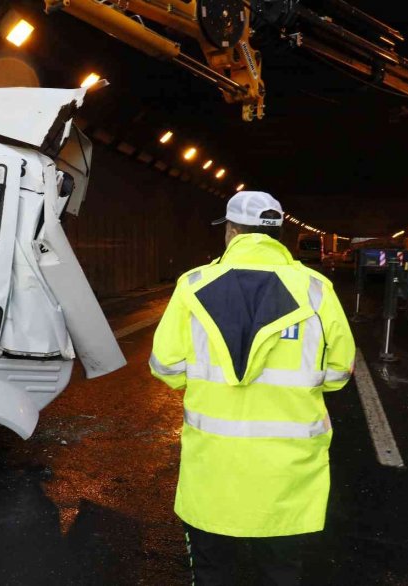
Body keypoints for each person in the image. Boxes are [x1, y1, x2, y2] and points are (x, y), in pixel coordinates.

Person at [149, 191, 356, 585]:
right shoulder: (315, 290)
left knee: (213, 573)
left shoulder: (193, 286)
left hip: (213, 470)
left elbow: (167, 367)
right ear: (278, 233)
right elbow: (338, 373)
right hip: (288, 474)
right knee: (281, 572)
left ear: (231, 231)